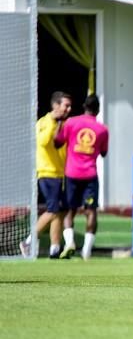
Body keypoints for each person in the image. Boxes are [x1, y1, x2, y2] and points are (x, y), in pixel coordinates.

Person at [55, 94, 109, 260]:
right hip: (90, 174)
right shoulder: (102, 129)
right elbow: (104, 153)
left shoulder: (71, 123)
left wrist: (59, 124)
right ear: (98, 110)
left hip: (71, 173)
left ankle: (70, 241)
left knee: (70, 210)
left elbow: (57, 142)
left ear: (84, 106)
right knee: (91, 211)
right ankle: (86, 250)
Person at [20, 91, 72, 258]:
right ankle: (28, 241)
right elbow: (42, 142)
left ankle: (55, 248)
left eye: (70, 106)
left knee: (57, 211)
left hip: (60, 173)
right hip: (47, 172)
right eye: (65, 105)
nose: (68, 109)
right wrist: (53, 123)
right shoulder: (44, 122)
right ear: (55, 105)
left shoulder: (64, 124)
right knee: (52, 209)